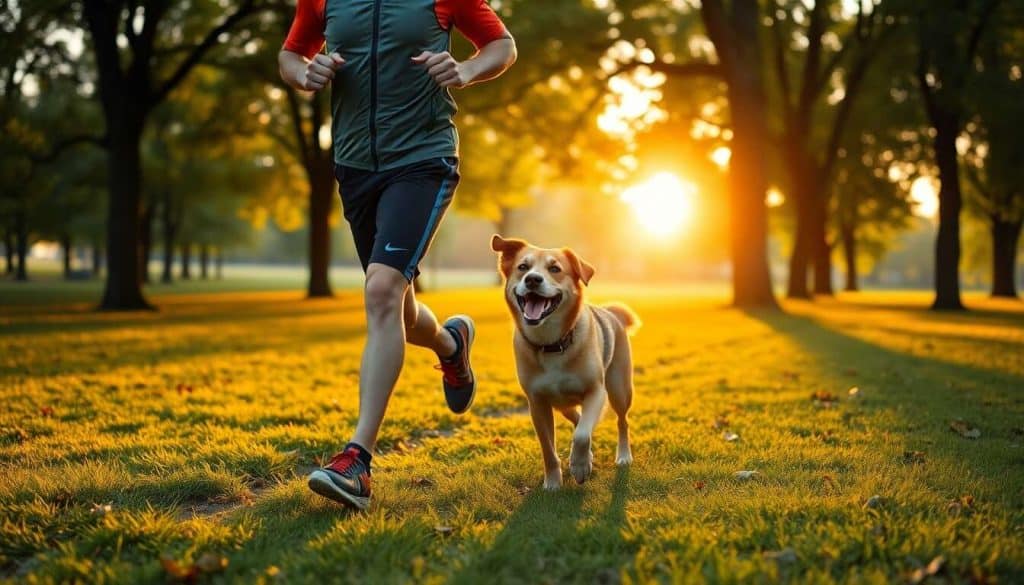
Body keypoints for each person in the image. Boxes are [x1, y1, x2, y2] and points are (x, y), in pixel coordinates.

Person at [278, 0, 516, 510]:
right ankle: (451, 344)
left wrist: (466, 70)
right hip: (354, 166)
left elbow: (502, 45)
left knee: (382, 290)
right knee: (397, 308)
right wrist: (304, 73)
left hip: (422, 159)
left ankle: (357, 463)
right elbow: (291, 55)